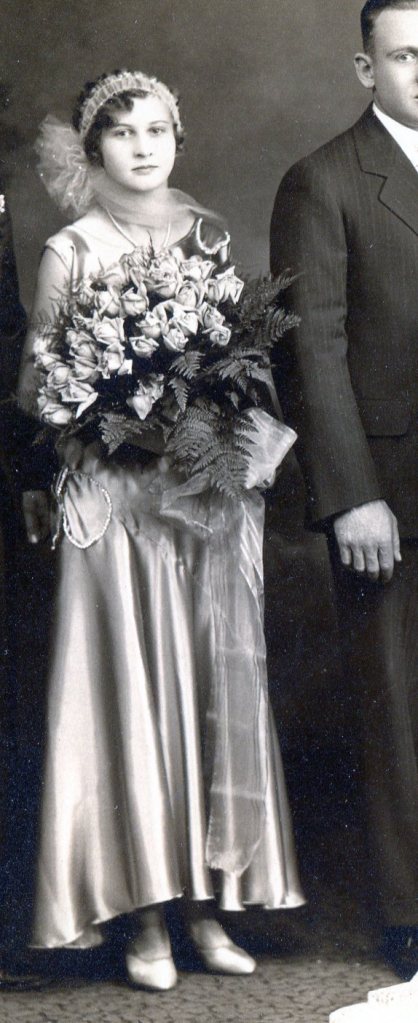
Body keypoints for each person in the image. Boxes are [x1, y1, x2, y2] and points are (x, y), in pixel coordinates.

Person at [18, 69, 304, 991]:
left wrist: (212, 410)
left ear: (178, 139)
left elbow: (245, 363)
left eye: (156, 130)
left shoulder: (208, 233)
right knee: (133, 697)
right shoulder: (71, 247)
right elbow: (39, 389)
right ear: (93, 149)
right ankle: (144, 918)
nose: (142, 147)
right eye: (121, 132)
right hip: (116, 506)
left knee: (203, 692)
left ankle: (208, 906)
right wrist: (120, 400)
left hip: (197, 500)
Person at [270, 0, 418, 980]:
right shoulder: (322, 179)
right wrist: (351, 494)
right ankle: (410, 912)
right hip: (388, 487)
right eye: (406, 56)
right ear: (366, 69)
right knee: (397, 703)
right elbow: (311, 349)